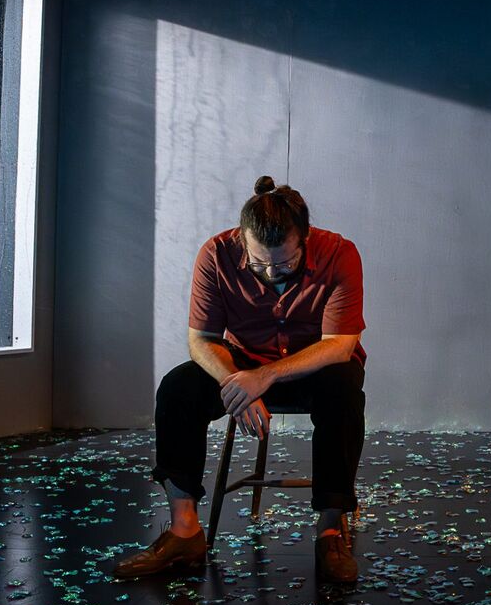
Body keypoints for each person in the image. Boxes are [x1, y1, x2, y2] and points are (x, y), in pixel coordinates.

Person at [113, 176, 367, 582]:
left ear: (304, 238)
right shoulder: (216, 253)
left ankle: (331, 530)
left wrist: (263, 378)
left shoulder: (339, 253)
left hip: (314, 364)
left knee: (344, 389)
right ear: (242, 240)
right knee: (178, 388)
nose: (271, 273)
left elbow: (339, 346)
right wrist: (239, 384)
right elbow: (201, 340)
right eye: (258, 263)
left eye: (284, 264)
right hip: (242, 361)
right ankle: (184, 530)